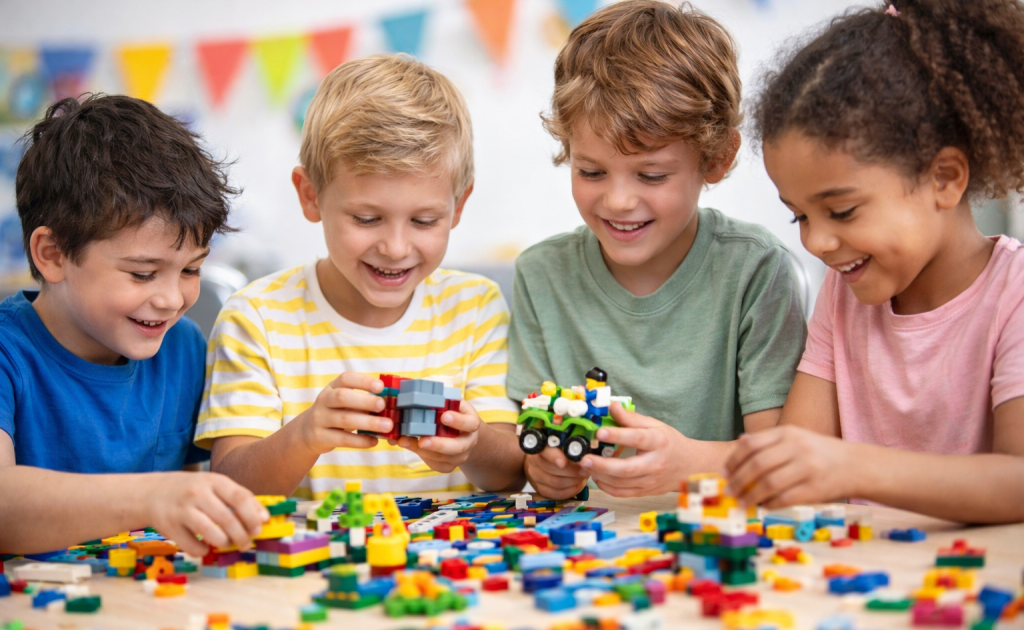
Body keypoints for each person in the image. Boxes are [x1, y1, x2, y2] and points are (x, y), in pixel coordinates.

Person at [727, 0, 1024, 523]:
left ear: (945, 179)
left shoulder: (1014, 294)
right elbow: (799, 456)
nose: (816, 242)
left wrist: (854, 469)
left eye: (841, 210)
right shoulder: (844, 293)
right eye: (799, 216)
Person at [508, 0, 807, 499]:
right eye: (590, 171)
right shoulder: (541, 274)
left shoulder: (757, 270)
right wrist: (544, 469)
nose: (619, 200)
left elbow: (782, 454)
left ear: (716, 157)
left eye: (651, 175)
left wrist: (694, 464)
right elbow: (530, 448)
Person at [198, 55, 524, 498]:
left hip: (446, 564)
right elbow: (228, 486)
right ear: (310, 196)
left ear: (459, 206)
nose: (395, 247)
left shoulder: (475, 307)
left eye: (424, 221)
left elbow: (510, 473)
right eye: (367, 218)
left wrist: (472, 443)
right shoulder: (255, 319)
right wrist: (304, 436)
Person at [0, 95, 267, 554]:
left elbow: (188, 508)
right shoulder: (9, 353)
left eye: (190, 270)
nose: (170, 299)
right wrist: (153, 495)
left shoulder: (182, 348)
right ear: (53, 254)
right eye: (142, 273)